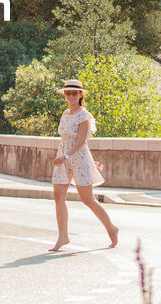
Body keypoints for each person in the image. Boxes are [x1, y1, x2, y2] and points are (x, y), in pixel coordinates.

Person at [49, 78, 119, 251]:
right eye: (67, 93)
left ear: (80, 94)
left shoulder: (85, 115)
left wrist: (66, 156)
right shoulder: (65, 113)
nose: (70, 96)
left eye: (74, 93)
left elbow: (81, 141)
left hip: (77, 156)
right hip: (63, 155)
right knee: (58, 197)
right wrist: (63, 156)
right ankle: (63, 236)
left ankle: (111, 228)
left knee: (88, 199)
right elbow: (65, 138)